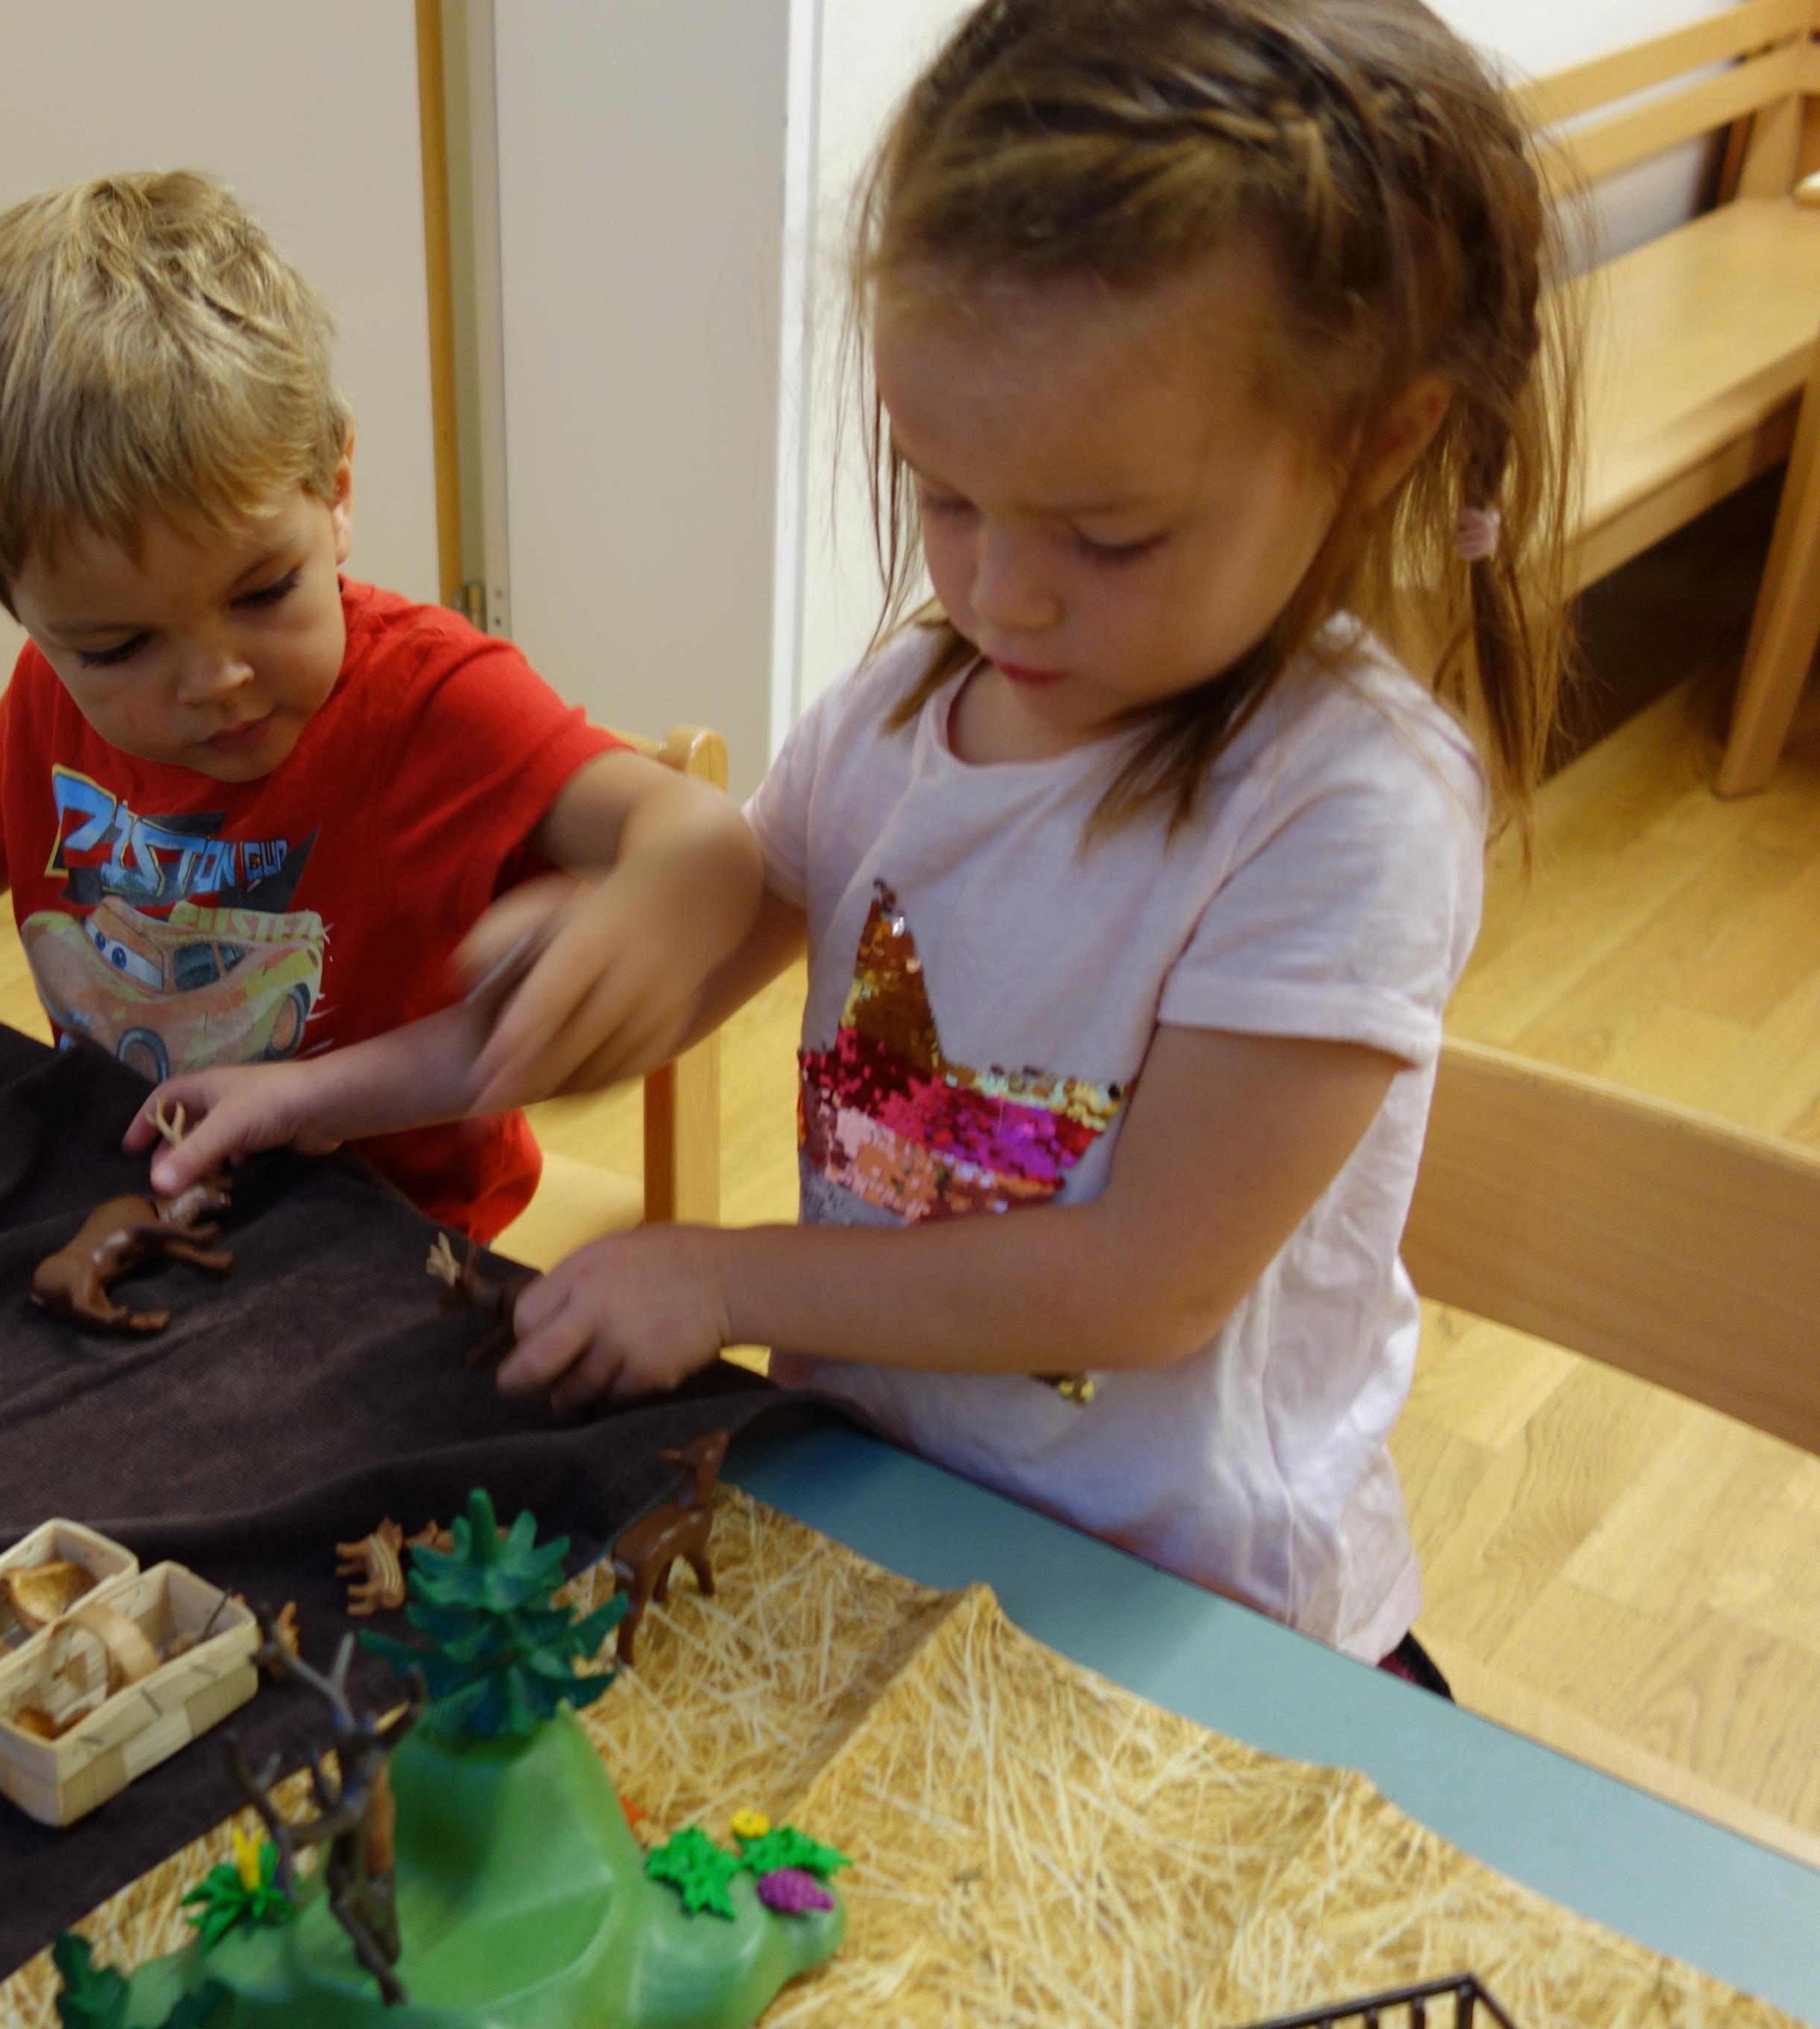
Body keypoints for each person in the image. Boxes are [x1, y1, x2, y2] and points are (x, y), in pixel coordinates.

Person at [139, 0, 1578, 1677]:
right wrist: (329, 1089)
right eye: (944, 492)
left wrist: (726, 1278)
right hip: (883, 1515)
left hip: (1187, 1622)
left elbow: (1151, 1281)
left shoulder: (1346, 807)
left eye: (1107, 536)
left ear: (1379, 437)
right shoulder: (907, 706)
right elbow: (668, 971)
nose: (999, 596)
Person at [0, 171, 758, 1242]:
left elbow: (696, 831)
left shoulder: (429, 708)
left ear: (337, 491)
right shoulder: (50, 695)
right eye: (118, 647)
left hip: (386, 1227)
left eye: (263, 592)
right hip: (136, 1176)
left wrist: (657, 893)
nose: (214, 680)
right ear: (19, 609)